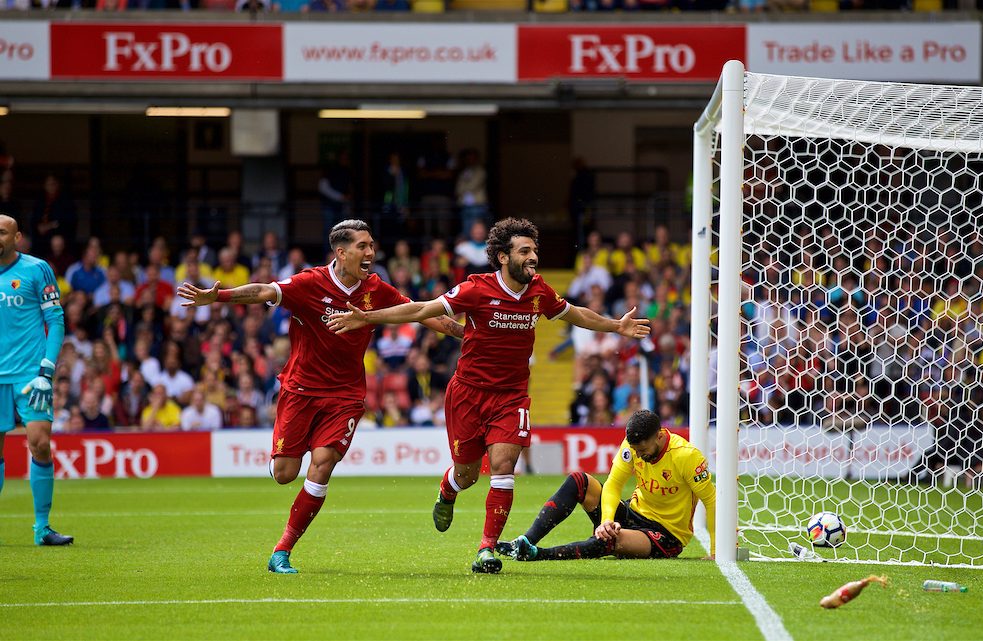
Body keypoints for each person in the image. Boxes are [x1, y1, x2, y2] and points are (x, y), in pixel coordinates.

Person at [326, 217, 650, 574]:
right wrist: (367, 317)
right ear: (501, 256)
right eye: (524, 251)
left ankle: (486, 549)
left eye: (534, 251)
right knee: (466, 475)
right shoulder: (475, 289)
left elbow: (575, 314)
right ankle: (448, 491)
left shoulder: (539, 291)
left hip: (511, 398)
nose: (533, 257)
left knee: (503, 467)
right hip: (467, 394)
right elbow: (421, 309)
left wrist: (615, 325)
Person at [177, 219, 463, 574]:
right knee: (284, 473)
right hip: (301, 390)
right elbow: (264, 292)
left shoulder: (375, 289)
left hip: (345, 395)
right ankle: (281, 461)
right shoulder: (309, 283)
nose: (371, 252)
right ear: (341, 253)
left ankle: (282, 551)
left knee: (323, 465)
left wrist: (467, 335)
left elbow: (421, 313)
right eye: (363, 246)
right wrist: (216, 296)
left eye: (372, 245)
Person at [497, 409, 715, 562]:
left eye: (643, 450)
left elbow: (711, 500)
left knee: (608, 541)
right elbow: (613, 484)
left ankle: (537, 554)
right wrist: (607, 520)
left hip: (666, 534)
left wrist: (717, 550)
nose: (638, 455)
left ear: (659, 436)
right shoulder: (631, 446)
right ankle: (525, 542)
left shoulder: (686, 456)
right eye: (636, 451)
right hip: (634, 512)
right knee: (579, 480)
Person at [0, 213, 73, 546]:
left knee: (40, 443)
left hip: (30, 373)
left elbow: (56, 321)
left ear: (17, 238)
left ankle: (42, 528)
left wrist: (47, 368)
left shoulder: (36, 268)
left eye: (2, 233)